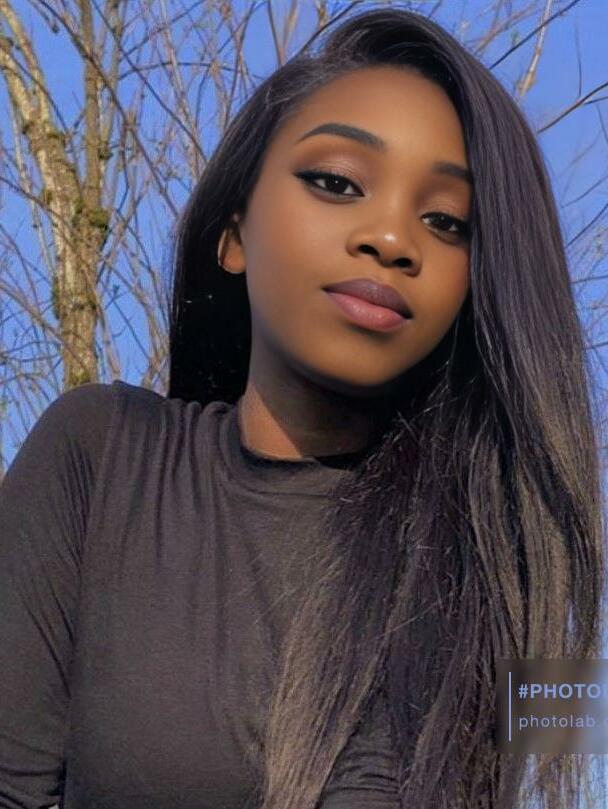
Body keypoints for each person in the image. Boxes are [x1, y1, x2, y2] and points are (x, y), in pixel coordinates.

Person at [0, 6, 604, 809]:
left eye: (446, 221)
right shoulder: (101, 458)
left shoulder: (517, 553)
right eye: (336, 182)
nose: (393, 238)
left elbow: (568, 775)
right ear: (233, 234)